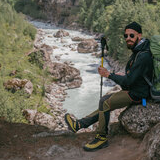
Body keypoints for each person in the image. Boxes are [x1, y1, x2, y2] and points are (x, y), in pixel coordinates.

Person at [65, 21, 153, 152]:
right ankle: (78, 125)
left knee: (104, 101)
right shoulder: (139, 50)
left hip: (138, 93)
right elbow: (135, 75)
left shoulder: (143, 55)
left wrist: (109, 75)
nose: (128, 38)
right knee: (105, 104)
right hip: (136, 88)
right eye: (126, 36)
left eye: (131, 35)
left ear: (139, 35)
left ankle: (101, 138)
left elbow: (129, 81)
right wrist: (119, 74)